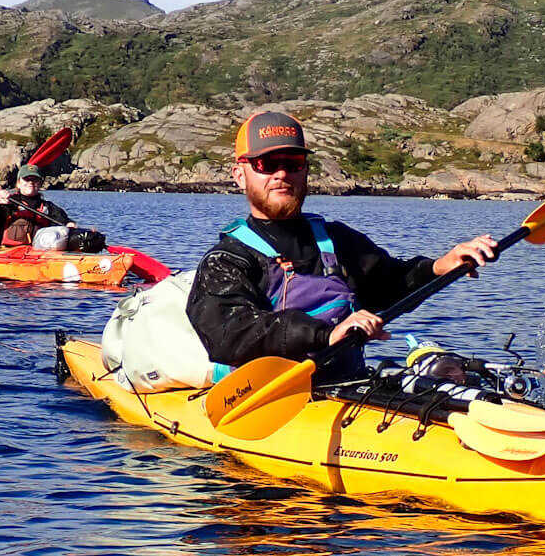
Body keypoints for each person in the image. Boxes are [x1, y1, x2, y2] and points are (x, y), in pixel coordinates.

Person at [185, 110, 499, 380]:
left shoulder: (336, 240)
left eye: (293, 162)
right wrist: (326, 334)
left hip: (345, 385)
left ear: (305, 170)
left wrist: (440, 268)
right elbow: (228, 333)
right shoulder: (227, 259)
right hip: (266, 397)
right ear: (239, 175)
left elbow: (391, 285)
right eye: (267, 164)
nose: (282, 174)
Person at [0, 163, 74, 246]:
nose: (31, 182)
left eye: (35, 180)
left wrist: (70, 225)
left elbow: (64, 221)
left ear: (40, 184)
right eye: (27, 179)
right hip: (8, 253)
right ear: (19, 183)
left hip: (36, 254)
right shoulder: (8, 202)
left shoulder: (48, 207)